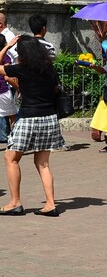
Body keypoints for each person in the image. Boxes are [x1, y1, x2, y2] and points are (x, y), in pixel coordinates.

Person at [0, 36, 65, 216]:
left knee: (10, 158)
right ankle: (50, 204)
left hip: (29, 118)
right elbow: (54, 90)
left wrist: (7, 46)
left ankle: (14, 202)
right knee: (43, 163)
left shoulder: (22, 68)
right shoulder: (49, 69)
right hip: (49, 118)